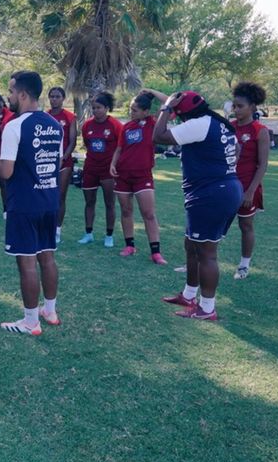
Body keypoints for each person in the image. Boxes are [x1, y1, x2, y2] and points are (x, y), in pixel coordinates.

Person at [0, 71, 62, 336]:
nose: (8, 97)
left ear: (23, 94)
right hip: (49, 201)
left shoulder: (14, 126)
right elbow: (53, 163)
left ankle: (30, 322)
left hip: (25, 203)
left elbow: (6, 172)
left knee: (27, 262)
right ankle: (50, 311)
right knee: (47, 257)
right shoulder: (55, 125)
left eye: (11, 91)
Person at [155, 91, 242, 321]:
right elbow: (236, 151)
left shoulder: (199, 124)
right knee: (191, 245)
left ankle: (207, 308)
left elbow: (159, 136)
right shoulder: (216, 123)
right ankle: (188, 295)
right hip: (222, 190)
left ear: (184, 114)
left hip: (211, 194)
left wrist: (166, 108)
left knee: (206, 253)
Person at [109, 89, 169, 264]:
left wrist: (151, 91)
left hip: (143, 175)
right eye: (130, 108)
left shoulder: (153, 123)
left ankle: (155, 252)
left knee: (148, 213)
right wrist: (113, 164)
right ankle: (130, 246)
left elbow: (168, 102)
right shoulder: (127, 127)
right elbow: (119, 149)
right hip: (123, 174)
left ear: (146, 111)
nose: (131, 112)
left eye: (135, 110)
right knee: (126, 211)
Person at [230, 82, 270, 280]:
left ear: (252, 107)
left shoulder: (259, 130)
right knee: (214, 224)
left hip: (247, 186)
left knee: (245, 225)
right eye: (234, 106)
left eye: (240, 106)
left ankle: (244, 265)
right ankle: (199, 261)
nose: (236, 110)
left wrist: (250, 192)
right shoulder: (229, 127)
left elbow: (262, 165)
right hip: (227, 186)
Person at [78, 92, 123, 247]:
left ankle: (109, 236)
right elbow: (87, 143)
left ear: (106, 108)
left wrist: (115, 165)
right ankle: (88, 233)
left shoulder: (115, 125)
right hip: (90, 168)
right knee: (89, 202)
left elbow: (121, 146)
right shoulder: (87, 125)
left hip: (108, 170)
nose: (96, 110)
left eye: (99, 107)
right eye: (94, 108)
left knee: (109, 203)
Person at [46, 87, 77, 241]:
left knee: (60, 196)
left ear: (63, 98)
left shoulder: (70, 117)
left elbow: (72, 141)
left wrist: (62, 158)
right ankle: (46, 227)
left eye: (57, 96)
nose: (54, 99)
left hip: (64, 162)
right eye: (52, 96)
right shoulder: (45, 115)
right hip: (46, 161)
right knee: (46, 196)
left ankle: (57, 230)